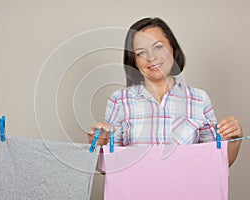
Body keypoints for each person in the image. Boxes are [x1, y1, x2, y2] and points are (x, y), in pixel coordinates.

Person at [88, 17, 242, 166]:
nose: (151, 57)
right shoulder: (119, 101)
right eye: (141, 52)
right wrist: (99, 146)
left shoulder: (199, 99)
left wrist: (234, 140)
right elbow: (108, 168)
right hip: (137, 192)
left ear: (172, 49)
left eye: (158, 47)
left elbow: (215, 162)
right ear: (134, 61)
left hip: (186, 191)